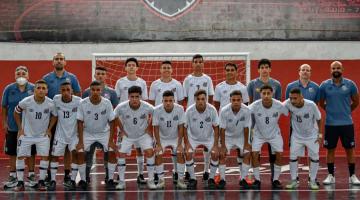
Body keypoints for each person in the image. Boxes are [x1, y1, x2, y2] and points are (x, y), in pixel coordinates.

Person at [43, 52, 81, 185]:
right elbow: (43, 95)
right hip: (51, 118)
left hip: (68, 119)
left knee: (67, 148)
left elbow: (77, 95)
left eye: (61, 59)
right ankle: (49, 175)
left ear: (65, 62)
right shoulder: (46, 78)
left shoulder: (72, 77)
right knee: (50, 147)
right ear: (53, 62)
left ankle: (67, 173)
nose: (59, 61)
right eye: (56, 59)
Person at [319, 61, 360, 185]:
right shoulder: (324, 85)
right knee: (330, 150)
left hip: (347, 123)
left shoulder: (350, 84)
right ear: (330, 70)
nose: (336, 70)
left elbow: (356, 101)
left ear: (342, 69)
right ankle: (330, 175)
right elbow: (321, 103)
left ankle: (352, 175)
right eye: (333, 68)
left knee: (350, 149)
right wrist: (332, 111)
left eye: (338, 68)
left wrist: (346, 111)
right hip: (331, 124)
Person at [13, 80, 57, 191]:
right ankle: (20, 182)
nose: (41, 90)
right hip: (26, 135)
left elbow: (55, 116)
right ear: (34, 90)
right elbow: (16, 111)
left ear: (47, 91)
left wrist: (49, 129)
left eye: (43, 88)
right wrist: (20, 129)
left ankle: (41, 182)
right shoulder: (26, 101)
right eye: (38, 88)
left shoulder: (51, 103)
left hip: (42, 136)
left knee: (44, 157)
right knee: (20, 156)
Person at [76, 80, 117, 190]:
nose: (95, 92)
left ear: (101, 91)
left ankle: (110, 179)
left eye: (97, 90)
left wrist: (111, 140)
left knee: (112, 151)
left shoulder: (107, 103)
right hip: (88, 133)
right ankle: (84, 180)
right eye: (93, 90)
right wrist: (80, 141)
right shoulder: (82, 103)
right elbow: (79, 122)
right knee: (80, 152)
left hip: (104, 132)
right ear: (90, 90)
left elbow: (112, 121)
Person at [114, 86, 156, 190]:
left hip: (143, 135)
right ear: (128, 97)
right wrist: (122, 130)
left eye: (137, 97)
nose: (134, 99)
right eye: (132, 97)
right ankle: (122, 182)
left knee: (150, 152)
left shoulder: (147, 106)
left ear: (140, 97)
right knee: (121, 154)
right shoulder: (121, 106)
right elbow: (113, 116)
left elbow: (156, 114)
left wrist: (150, 127)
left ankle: (150, 180)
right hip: (128, 135)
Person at [149, 61, 184, 183]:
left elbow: (180, 101)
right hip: (160, 119)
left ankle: (177, 173)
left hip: (174, 119)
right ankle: (157, 174)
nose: (166, 70)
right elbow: (152, 103)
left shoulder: (177, 84)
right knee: (157, 150)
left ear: (172, 70)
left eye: (168, 68)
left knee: (177, 150)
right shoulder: (155, 84)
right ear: (160, 70)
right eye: (164, 68)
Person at [2, 66, 37, 189]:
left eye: (23, 73)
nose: (21, 75)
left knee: (31, 152)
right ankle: (12, 176)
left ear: (28, 76)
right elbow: (4, 107)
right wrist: (4, 122)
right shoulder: (9, 89)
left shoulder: (34, 88)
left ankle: (32, 175)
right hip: (12, 127)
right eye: (18, 73)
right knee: (13, 152)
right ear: (15, 75)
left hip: (30, 128)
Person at [82, 66, 119, 184]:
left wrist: (114, 130)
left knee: (108, 153)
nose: (100, 76)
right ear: (94, 75)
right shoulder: (86, 92)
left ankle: (109, 177)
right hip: (89, 130)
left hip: (105, 130)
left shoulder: (112, 93)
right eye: (98, 73)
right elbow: (82, 110)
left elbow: (115, 112)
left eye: (103, 74)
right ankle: (85, 177)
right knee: (88, 154)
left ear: (106, 76)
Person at [247, 58, 281, 182]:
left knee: (273, 151)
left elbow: (278, 104)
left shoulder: (276, 84)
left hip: (271, 124)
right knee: (256, 151)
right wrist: (250, 124)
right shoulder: (252, 84)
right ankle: (257, 178)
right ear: (258, 70)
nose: (264, 69)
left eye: (267, 67)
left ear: (270, 69)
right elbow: (249, 104)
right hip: (256, 124)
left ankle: (274, 178)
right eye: (262, 67)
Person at [114, 57, 148, 184]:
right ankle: (120, 175)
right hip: (124, 119)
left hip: (139, 119)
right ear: (126, 67)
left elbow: (144, 101)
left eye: (134, 65)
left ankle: (140, 174)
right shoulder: (120, 82)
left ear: (137, 67)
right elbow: (116, 100)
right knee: (121, 148)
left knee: (139, 148)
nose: (131, 67)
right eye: (129, 65)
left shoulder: (142, 82)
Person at [285, 64, 320, 184]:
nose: (305, 72)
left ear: (310, 72)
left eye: (308, 70)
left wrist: (319, 133)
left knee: (313, 154)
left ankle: (313, 179)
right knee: (293, 154)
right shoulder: (290, 86)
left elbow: (317, 107)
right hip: (296, 127)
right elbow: (286, 105)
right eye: (303, 70)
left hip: (311, 125)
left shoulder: (316, 87)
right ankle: (294, 180)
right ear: (299, 72)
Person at [214, 62, 249, 179]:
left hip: (238, 124)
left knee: (242, 151)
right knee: (221, 151)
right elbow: (217, 105)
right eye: (227, 70)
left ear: (236, 72)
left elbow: (246, 106)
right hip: (225, 123)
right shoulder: (219, 87)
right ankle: (220, 176)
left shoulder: (242, 88)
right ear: (225, 72)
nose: (229, 72)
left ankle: (243, 177)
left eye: (232, 70)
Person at [249, 85, 288, 189]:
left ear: (272, 94)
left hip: (274, 134)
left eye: (268, 93)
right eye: (264, 93)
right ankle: (257, 180)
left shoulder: (279, 105)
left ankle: (275, 180)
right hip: (258, 134)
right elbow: (244, 113)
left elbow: (290, 112)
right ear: (260, 94)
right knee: (254, 155)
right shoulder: (254, 105)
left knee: (279, 154)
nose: (266, 96)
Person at [183, 54, 215, 181]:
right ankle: (188, 170)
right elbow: (185, 98)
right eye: (195, 61)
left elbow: (211, 97)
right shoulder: (187, 79)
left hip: (205, 114)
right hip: (192, 116)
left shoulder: (208, 79)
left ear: (203, 64)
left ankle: (206, 170)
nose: (197, 63)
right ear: (192, 63)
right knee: (190, 143)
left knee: (207, 144)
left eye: (200, 62)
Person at [47, 81, 82, 191]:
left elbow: (82, 119)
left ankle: (71, 180)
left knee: (75, 154)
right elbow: (54, 115)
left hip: (74, 134)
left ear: (72, 90)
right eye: (63, 90)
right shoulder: (56, 99)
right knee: (54, 156)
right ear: (60, 91)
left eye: (68, 89)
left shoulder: (79, 101)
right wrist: (48, 129)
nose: (66, 92)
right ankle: (52, 180)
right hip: (60, 134)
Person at [183, 90, 219, 189]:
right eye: (198, 99)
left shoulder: (212, 109)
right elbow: (184, 127)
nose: (200, 101)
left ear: (206, 99)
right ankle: (193, 179)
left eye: (203, 99)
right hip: (193, 137)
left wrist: (215, 145)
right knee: (188, 153)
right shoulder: (189, 110)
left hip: (208, 137)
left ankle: (211, 178)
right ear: (195, 100)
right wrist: (187, 144)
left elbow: (216, 127)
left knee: (216, 153)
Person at [152, 90, 186, 189]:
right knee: (158, 154)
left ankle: (180, 179)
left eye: (170, 100)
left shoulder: (179, 109)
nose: (168, 103)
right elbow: (156, 128)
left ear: (174, 100)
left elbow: (181, 127)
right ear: (162, 101)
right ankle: (161, 180)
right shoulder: (157, 110)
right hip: (162, 138)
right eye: (165, 100)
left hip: (175, 137)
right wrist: (158, 144)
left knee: (180, 153)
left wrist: (179, 144)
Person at [218, 90, 251, 189]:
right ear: (230, 100)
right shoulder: (224, 110)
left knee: (247, 153)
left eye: (238, 100)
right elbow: (222, 129)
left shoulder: (247, 110)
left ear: (242, 100)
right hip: (227, 137)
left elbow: (246, 128)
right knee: (222, 154)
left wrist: (246, 144)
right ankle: (222, 179)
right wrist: (223, 146)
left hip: (241, 136)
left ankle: (243, 179)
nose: (236, 102)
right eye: (233, 100)